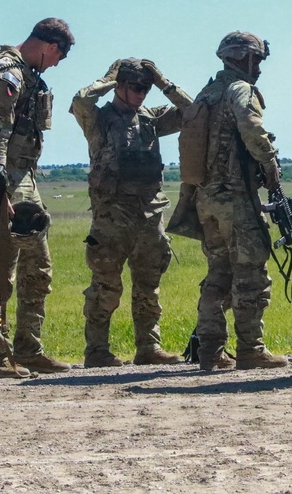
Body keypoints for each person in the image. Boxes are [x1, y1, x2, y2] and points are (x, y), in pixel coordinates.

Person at [0, 18, 75, 378]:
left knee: (37, 267)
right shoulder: (7, 74)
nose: (56, 65)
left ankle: (29, 349)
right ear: (51, 47)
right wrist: (0, 188)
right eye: (59, 57)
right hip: (1, 179)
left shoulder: (25, 73)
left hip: (22, 178)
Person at [70, 58, 193, 368]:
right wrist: (108, 78)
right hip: (112, 218)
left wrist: (164, 82)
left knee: (148, 287)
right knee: (106, 287)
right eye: (137, 87)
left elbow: (194, 111)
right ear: (120, 87)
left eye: (146, 88)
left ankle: (148, 347)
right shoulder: (98, 120)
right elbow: (81, 100)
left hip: (150, 216)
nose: (143, 93)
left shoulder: (150, 119)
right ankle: (97, 350)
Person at [184, 31, 288, 371]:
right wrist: (270, 163)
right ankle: (250, 349)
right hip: (235, 198)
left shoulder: (207, 93)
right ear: (243, 58)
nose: (258, 68)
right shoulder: (239, 90)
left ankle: (210, 352)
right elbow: (252, 129)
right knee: (250, 274)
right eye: (256, 60)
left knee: (218, 274)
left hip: (206, 200)